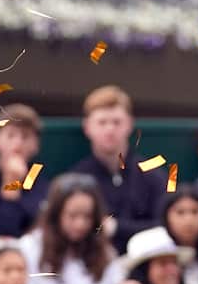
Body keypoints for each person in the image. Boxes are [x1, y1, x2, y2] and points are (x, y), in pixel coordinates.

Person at [20, 174, 122, 284]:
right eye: (72, 216)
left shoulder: (106, 254)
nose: (80, 224)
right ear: (56, 213)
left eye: (87, 217)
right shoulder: (30, 248)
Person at [67, 85, 167, 252]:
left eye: (116, 122)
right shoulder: (77, 179)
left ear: (129, 124)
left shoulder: (152, 175)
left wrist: (117, 228)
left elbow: (165, 226)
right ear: (87, 127)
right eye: (102, 122)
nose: (110, 129)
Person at [0, 103, 49, 238]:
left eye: (25, 137)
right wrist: (11, 182)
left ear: (36, 145)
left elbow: (30, 223)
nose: (18, 143)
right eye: (10, 135)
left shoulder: (37, 177)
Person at [161, 186, 198, 284]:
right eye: (180, 212)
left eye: (195, 212)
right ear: (166, 217)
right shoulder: (158, 256)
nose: (189, 220)